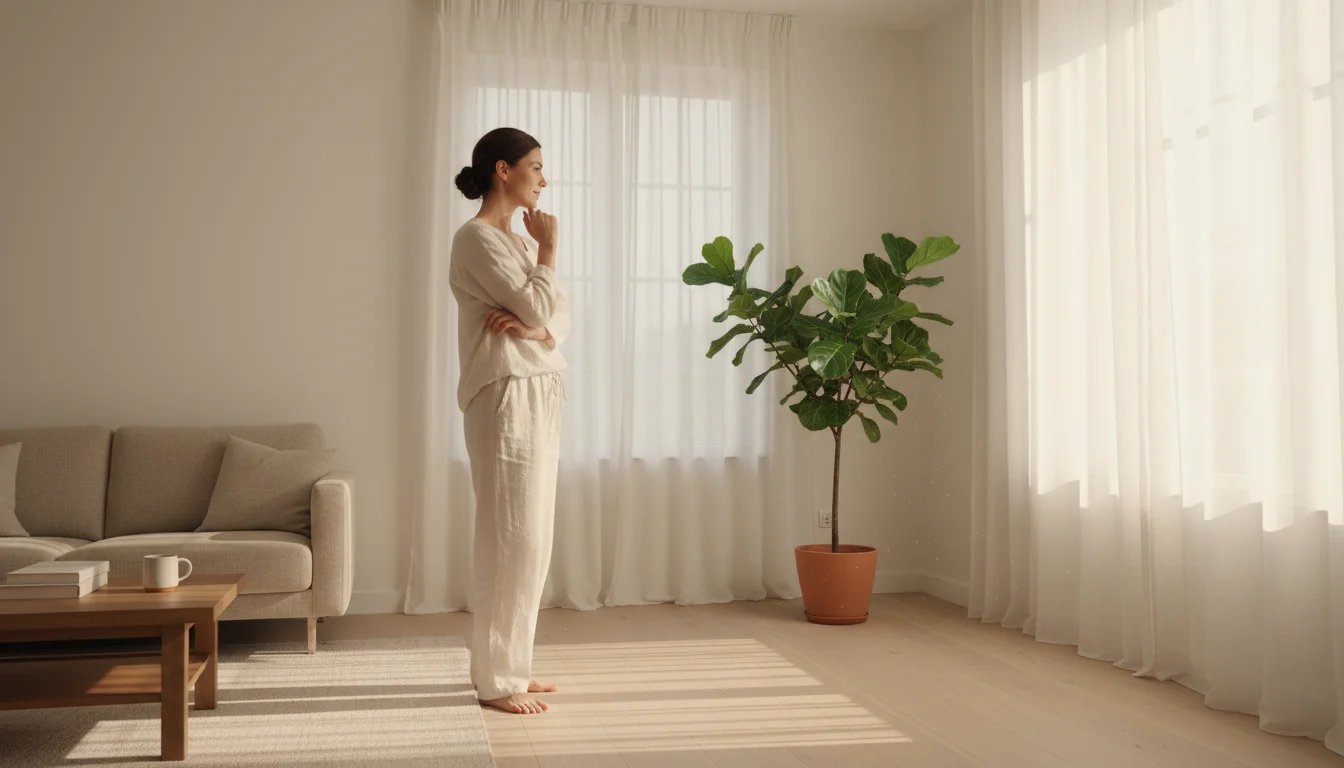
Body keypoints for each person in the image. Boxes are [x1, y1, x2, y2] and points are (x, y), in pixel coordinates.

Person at [449, 127, 571, 715]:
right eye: (536, 167)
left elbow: (558, 313)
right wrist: (548, 253)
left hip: (539, 388)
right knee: (509, 536)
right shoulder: (477, 239)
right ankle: (496, 679)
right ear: (504, 170)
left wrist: (534, 327)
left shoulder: (514, 246)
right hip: (503, 394)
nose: (543, 181)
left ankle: (512, 668)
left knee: (533, 538)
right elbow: (543, 301)